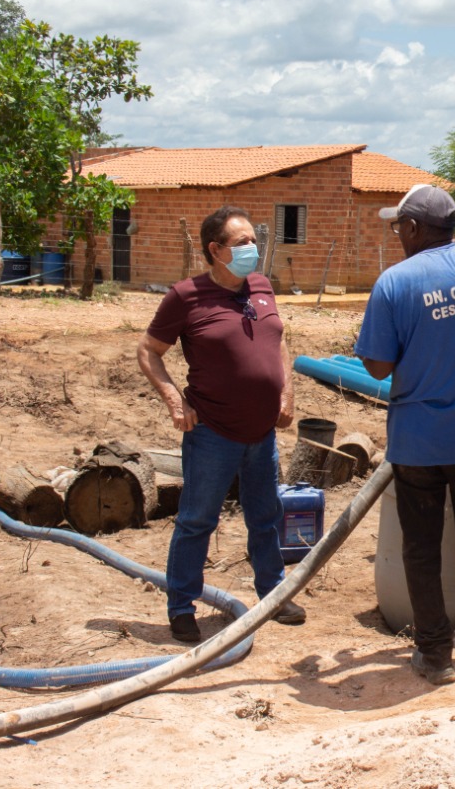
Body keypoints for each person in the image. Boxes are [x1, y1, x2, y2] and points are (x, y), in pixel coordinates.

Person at [355, 184, 455, 685]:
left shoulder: (394, 283)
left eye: (400, 225)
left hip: (420, 443)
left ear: (414, 229)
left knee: (422, 547)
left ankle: (436, 654)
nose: (396, 233)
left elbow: (377, 366)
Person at [137, 205, 305, 643]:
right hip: (213, 433)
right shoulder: (185, 296)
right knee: (197, 520)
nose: (253, 248)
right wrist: (175, 400)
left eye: (254, 239)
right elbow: (149, 350)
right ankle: (182, 607)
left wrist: (286, 393)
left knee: (266, 516)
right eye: (242, 242)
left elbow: (277, 343)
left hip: (262, 433)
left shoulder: (263, 287)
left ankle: (273, 594)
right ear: (215, 250)